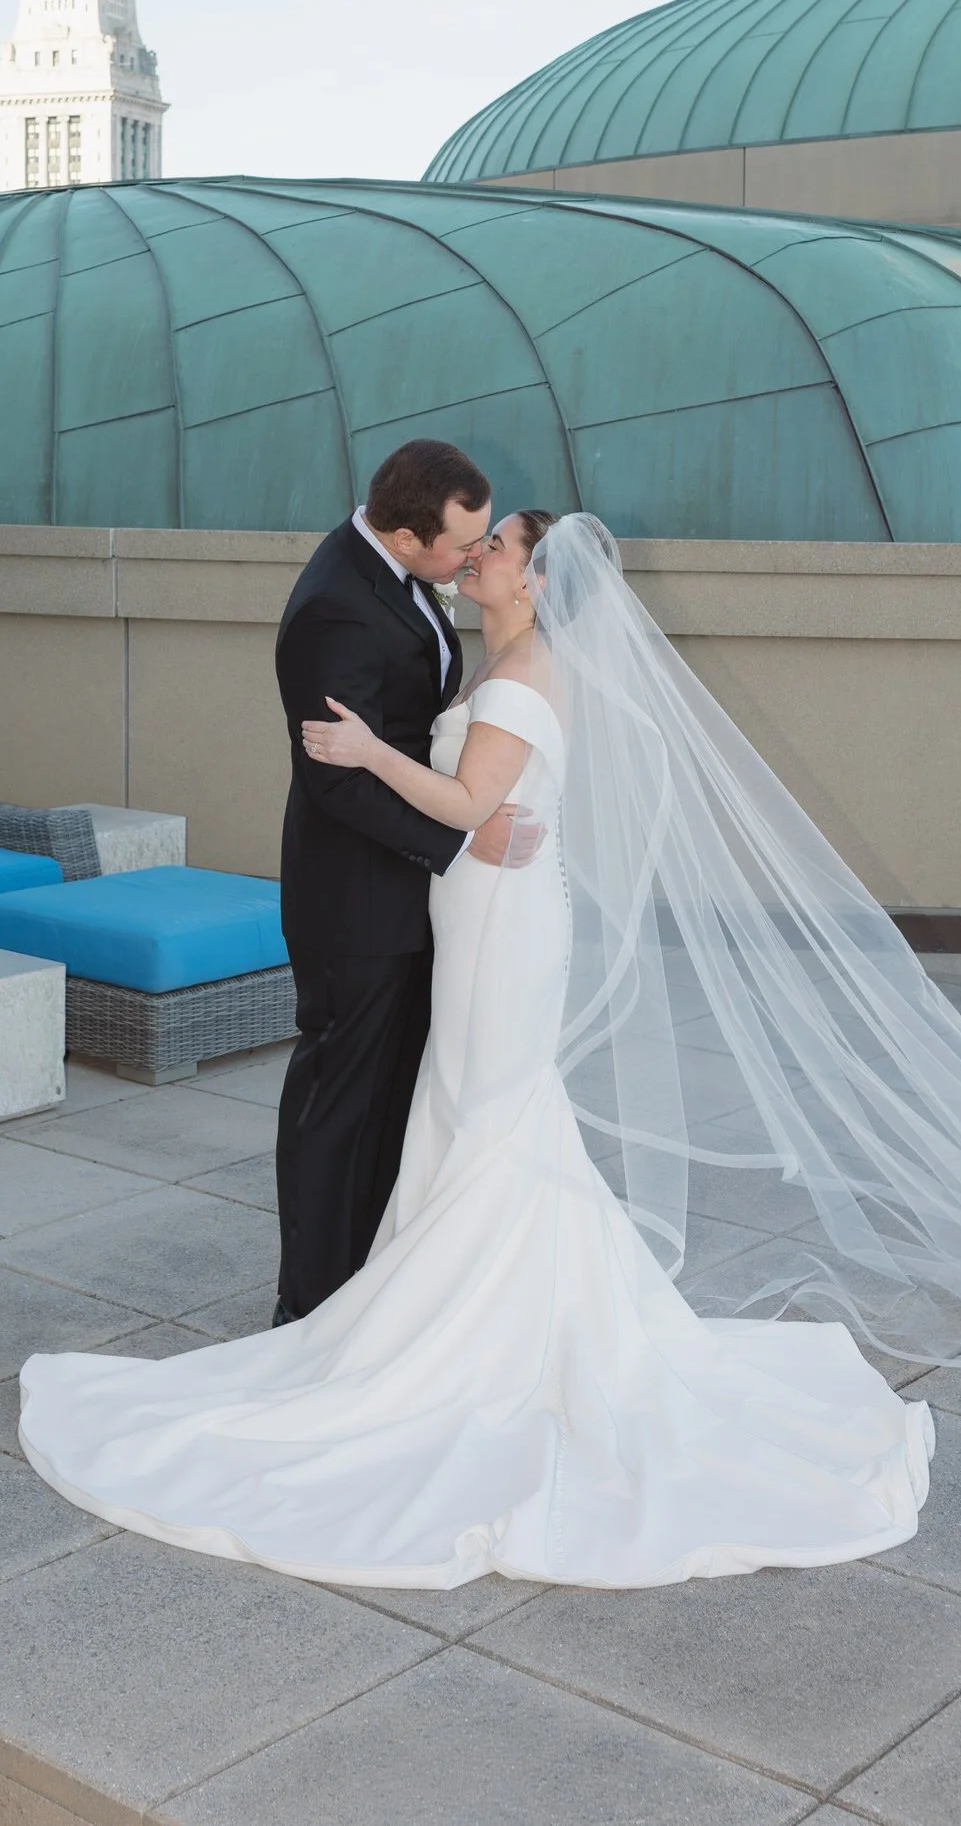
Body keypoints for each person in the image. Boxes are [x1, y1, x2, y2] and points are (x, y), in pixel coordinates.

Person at [19, 509, 961, 1591]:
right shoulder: (507, 659)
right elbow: (484, 805)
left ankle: (467, 1339)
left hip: (505, 927)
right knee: (476, 1121)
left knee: (488, 1119)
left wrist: (361, 751)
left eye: (495, 552)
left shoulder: (521, 681)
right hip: (481, 914)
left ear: (534, 577)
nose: (474, 563)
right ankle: (439, 1315)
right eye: (473, 547)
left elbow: (471, 808)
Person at [267, 438, 526, 1324]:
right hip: (354, 904)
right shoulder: (335, 607)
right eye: (461, 545)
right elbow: (334, 782)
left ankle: (364, 1295)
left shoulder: (406, 574)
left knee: (390, 1105)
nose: (472, 559)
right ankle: (304, 1312)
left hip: (408, 898)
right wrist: (458, 843)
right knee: (335, 1110)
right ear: (409, 538)